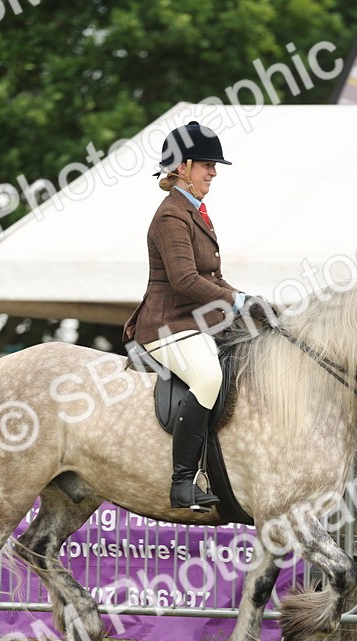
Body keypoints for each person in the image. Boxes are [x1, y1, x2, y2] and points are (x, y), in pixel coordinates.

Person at [121, 120, 272, 511]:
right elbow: (186, 281)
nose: (213, 172)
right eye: (207, 164)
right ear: (183, 167)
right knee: (208, 377)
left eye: (213, 165)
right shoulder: (170, 216)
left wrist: (248, 300)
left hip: (196, 322)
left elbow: (213, 278)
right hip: (167, 325)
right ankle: (182, 482)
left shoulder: (195, 213)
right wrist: (236, 302)